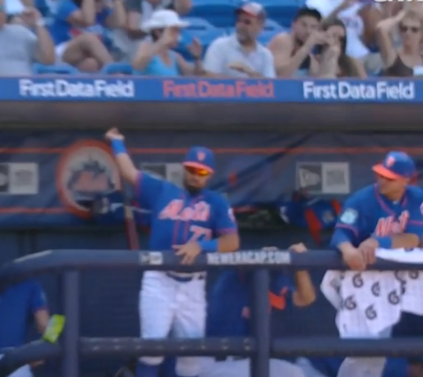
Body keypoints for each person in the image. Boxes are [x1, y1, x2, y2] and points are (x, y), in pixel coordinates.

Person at [104, 127, 240, 377]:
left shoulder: (216, 201)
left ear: (209, 174)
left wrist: (201, 245)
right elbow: (129, 173)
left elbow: (232, 241)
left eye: (201, 172)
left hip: (193, 285)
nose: (195, 175)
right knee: (151, 351)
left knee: (192, 360)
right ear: (184, 168)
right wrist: (117, 143)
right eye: (191, 169)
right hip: (159, 281)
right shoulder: (163, 191)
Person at [330, 151, 423, 377]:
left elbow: (415, 237)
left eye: (389, 177)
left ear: (406, 180)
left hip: (410, 281)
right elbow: (339, 235)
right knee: (367, 348)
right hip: (368, 280)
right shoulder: (361, 200)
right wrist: (349, 249)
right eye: (380, 174)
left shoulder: (417, 198)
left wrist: (376, 241)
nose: (381, 180)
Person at [198, 243, 315, 377]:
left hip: (261, 359)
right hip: (225, 360)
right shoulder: (230, 282)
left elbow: (305, 298)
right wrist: (259, 256)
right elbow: (230, 346)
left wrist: (298, 264)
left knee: (296, 372)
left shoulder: (271, 276)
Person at [114, 0, 192, 60]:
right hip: (127, 51)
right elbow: (133, 30)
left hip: (154, 53)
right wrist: (158, 32)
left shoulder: (166, 1)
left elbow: (186, 7)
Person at [48, 0, 125, 72]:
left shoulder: (101, 12)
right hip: (63, 52)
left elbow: (119, 23)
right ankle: (116, 73)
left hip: (87, 56)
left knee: (91, 64)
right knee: (88, 38)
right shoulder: (67, 5)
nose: (103, 2)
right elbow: (87, 20)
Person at [304, 0, 377, 62]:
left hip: (363, 55)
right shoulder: (314, 2)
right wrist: (340, 8)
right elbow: (314, 30)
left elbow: (366, 34)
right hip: (338, 59)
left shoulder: (355, 4)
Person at [202, 2, 275, 78]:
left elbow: (270, 85)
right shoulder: (220, 46)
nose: (240, 26)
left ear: (260, 27)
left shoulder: (265, 55)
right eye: (239, 20)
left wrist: (251, 74)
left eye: (247, 22)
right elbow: (209, 78)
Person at [131, 9, 203, 76]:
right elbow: (138, 65)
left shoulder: (174, 56)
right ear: (158, 32)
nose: (178, 36)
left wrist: (196, 58)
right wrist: (162, 42)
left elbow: (196, 77)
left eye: (178, 31)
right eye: (174, 31)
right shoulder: (145, 47)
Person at [268, 7, 322, 77]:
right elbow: (282, 75)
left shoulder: (306, 48)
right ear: (293, 24)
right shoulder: (284, 40)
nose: (308, 31)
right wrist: (307, 46)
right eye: (304, 25)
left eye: (313, 27)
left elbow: (318, 78)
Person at [377, 9, 423, 77]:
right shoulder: (393, 57)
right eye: (404, 28)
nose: (408, 33)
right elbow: (381, 28)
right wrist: (398, 19)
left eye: (414, 29)